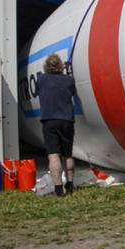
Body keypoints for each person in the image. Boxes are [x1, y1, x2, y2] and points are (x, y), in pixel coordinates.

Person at [38, 54, 77, 197]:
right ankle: (71, 184)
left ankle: (59, 189)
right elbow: (71, 91)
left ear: (47, 66)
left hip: (50, 121)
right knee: (67, 155)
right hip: (67, 120)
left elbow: (40, 90)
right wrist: (66, 72)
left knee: (54, 155)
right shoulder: (69, 80)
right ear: (60, 66)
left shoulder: (41, 79)